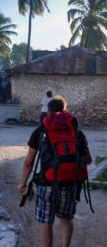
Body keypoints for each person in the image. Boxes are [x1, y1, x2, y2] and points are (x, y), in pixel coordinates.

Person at [18, 95, 92, 247]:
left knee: (46, 222)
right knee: (66, 219)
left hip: (47, 183)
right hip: (70, 183)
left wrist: (23, 183)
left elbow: (29, 162)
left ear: (49, 111)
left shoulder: (41, 131)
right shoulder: (76, 132)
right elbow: (88, 159)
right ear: (65, 110)